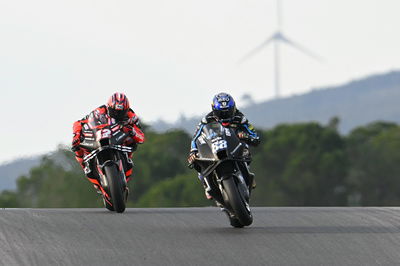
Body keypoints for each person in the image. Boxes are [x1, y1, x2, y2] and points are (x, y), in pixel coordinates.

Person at [187, 92, 260, 199]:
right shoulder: (206, 120)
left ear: (234, 108)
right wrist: (193, 151)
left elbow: (254, 134)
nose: (225, 116)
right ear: (214, 111)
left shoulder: (240, 117)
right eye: (221, 113)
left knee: (246, 148)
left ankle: (247, 172)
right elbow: (195, 137)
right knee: (197, 160)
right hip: (215, 147)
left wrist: (247, 136)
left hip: (234, 146)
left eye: (228, 112)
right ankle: (206, 183)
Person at [71, 92, 145, 192]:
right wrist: (77, 134)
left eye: (121, 112)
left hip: (119, 139)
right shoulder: (99, 111)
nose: (118, 115)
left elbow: (141, 136)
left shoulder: (131, 115)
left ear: (126, 109)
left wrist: (132, 131)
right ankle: (85, 166)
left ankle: (127, 161)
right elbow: (79, 123)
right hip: (100, 137)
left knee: (132, 141)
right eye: (115, 111)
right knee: (76, 146)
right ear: (109, 107)